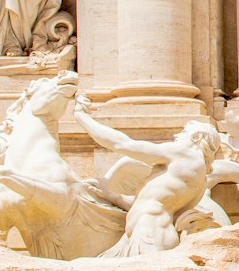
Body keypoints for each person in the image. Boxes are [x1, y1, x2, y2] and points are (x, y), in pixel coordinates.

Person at [71, 101, 221, 256]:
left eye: (183, 133)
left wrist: (82, 117)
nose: (176, 136)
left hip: (150, 233)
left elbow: (122, 144)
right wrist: (110, 195)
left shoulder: (184, 154)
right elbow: (147, 203)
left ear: (196, 136)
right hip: (146, 233)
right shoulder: (200, 180)